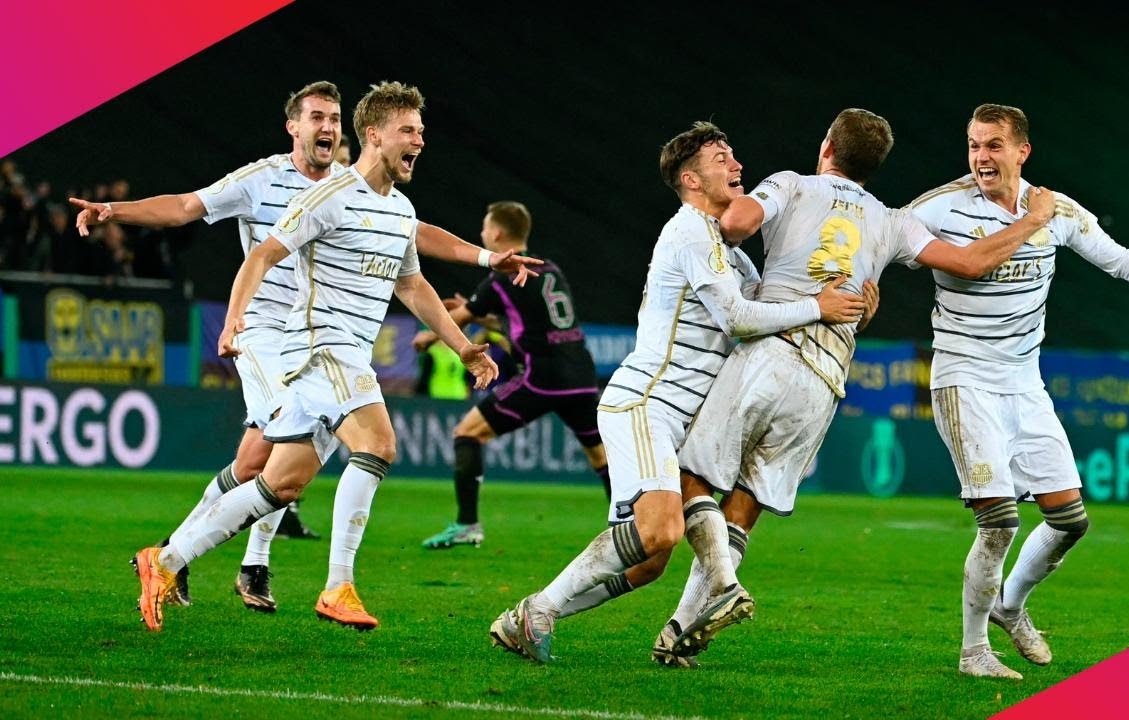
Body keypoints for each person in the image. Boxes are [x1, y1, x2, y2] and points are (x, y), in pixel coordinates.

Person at [613, 108, 1057, 667]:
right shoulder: (893, 221)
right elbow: (969, 263)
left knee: (691, 476)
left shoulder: (791, 184)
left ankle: (723, 586)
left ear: (827, 145)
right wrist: (1032, 220)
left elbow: (735, 223)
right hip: (826, 379)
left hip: (771, 352)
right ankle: (680, 628)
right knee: (747, 503)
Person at [72, 81, 537, 614]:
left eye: (333, 118)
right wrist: (232, 316)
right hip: (304, 339)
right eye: (409, 131)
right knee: (377, 443)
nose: (420, 141)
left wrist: (465, 337)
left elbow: (411, 276)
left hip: (335, 347)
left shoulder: (391, 204)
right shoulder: (299, 189)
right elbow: (217, 228)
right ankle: (321, 581)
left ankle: (168, 558)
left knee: (276, 476)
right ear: (366, 134)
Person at [489, 122, 866, 664]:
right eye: (721, 158)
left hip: (682, 417)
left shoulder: (731, 254)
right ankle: (539, 611)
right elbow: (739, 318)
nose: (737, 165)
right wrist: (816, 307)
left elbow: (768, 314)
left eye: (733, 155)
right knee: (660, 530)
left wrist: (846, 309)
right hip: (646, 403)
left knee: (649, 561)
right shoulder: (689, 231)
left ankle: (528, 616)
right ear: (691, 179)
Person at [907, 103, 1129, 679]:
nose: (981, 157)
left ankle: (1010, 607)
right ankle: (974, 653)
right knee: (998, 522)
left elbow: (1115, 258)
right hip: (964, 379)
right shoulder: (940, 207)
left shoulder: (1056, 209)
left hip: (1025, 383)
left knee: (1070, 521)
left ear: (1022, 151)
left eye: (993, 145)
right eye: (974, 145)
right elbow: (884, 238)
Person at [415, 201, 611, 550]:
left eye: (485, 227)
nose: (481, 232)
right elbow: (524, 322)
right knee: (601, 457)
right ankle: (630, 526)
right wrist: (481, 315)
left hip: (541, 377)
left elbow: (463, 315)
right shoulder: (549, 269)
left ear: (497, 234)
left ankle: (467, 525)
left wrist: (429, 337)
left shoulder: (502, 276)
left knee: (467, 433)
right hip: (581, 374)